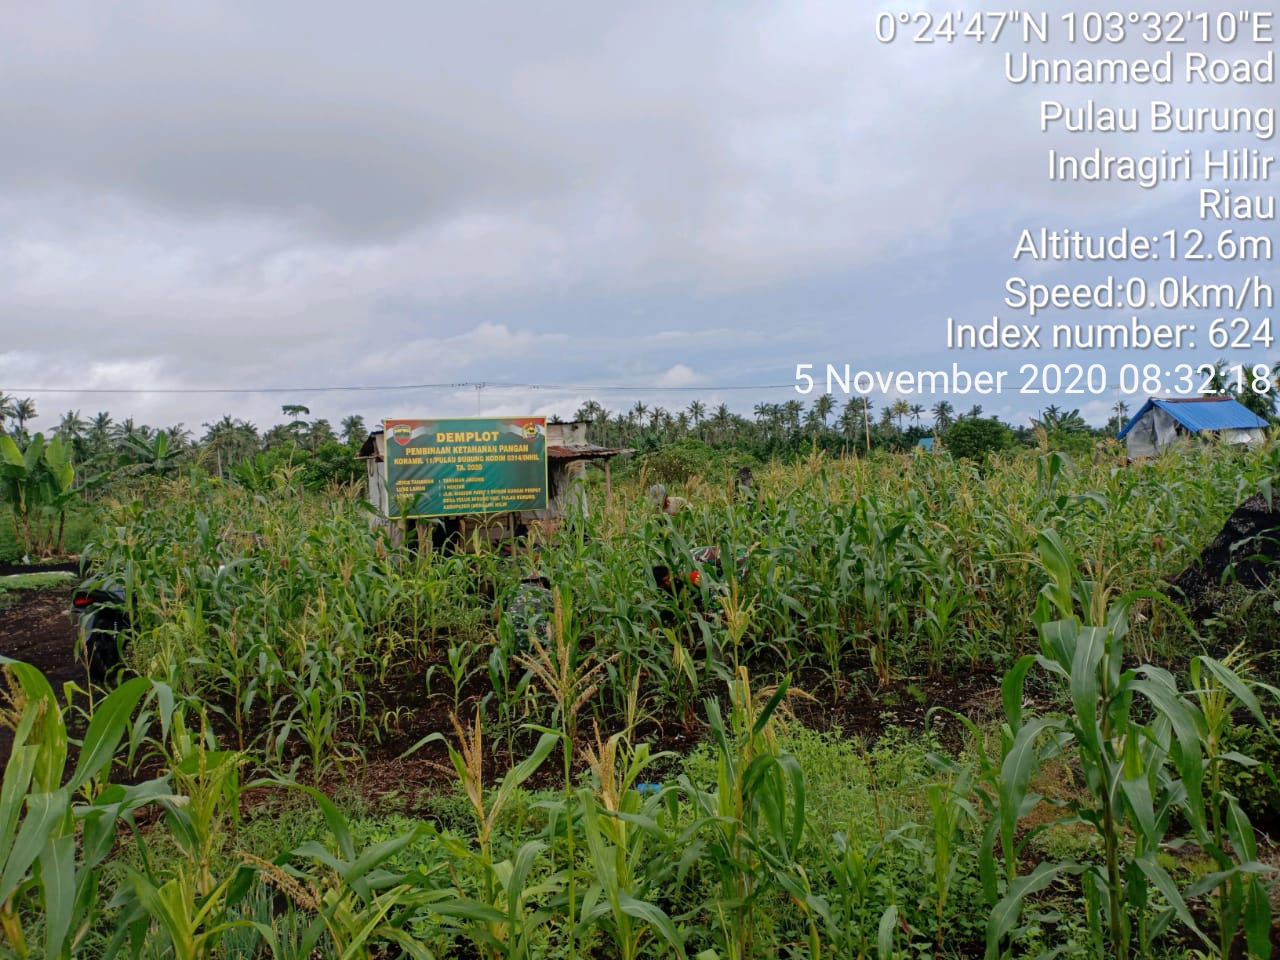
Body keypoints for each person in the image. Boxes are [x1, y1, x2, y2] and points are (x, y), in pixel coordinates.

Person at [496, 574, 554, 653]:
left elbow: (496, 617)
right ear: (541, 582)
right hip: (538, 644)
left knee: (503, 618)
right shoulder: (548, 593)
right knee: (552, 620)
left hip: (511, 643)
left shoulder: (511, 591)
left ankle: (507, 656)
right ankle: (547, 657)